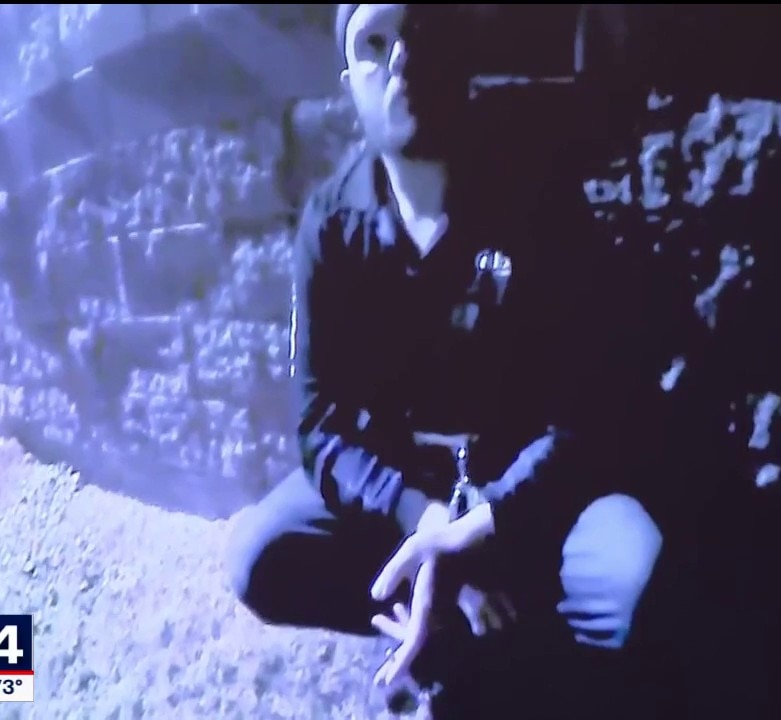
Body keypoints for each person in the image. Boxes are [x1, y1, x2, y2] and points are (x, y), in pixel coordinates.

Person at [225, 4, 671, 717]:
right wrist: (421, 520)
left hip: (522, 487)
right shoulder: (332, 225)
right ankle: (446, 622)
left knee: (631, 582)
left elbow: (591, 402)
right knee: (262, 557)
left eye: (420, 33)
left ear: (459, 57)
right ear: (350, 83)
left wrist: (488, 520)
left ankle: (516, 632)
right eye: (374, 45)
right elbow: (320, 422)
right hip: (411, 489)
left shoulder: (536, 194)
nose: (401, 60)